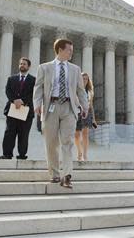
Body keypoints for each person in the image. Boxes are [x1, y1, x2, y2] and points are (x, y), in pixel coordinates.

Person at [33, 38, 88, 189]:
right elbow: (38, 88)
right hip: (51, 106)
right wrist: (37, 104)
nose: (71, 52)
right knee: (51, 143)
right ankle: (55, 174)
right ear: (60, 50)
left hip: (69, 108)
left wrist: (85, 106)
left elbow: (80, 90)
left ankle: (67, 175)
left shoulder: (75, 69)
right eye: (69, 50)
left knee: (68, 142)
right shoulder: (44, 68)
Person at [0, 58, 35, 160]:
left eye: (24, 64)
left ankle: (22, 154)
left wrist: (22, 101)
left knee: (23, 134)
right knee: (9, 132)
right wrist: (15, 100)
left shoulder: (33, 80)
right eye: (20, 64)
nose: (22, 65)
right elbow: (8, 91)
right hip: (13, 108)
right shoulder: (11, 78)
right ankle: (7, 154)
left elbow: (33, 94)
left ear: (28, 66)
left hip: (26, 110)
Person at [74, 73, 97, 161]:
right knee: (76, 135)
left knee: (85, 134)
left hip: (87, 114)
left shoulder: (90, 92)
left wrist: (94, 119)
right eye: (83, 78)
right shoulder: (75, 89)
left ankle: (85, 155)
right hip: (77, 113)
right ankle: (79, 152)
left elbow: (91, 106)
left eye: (86, 79)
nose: (84, 80)